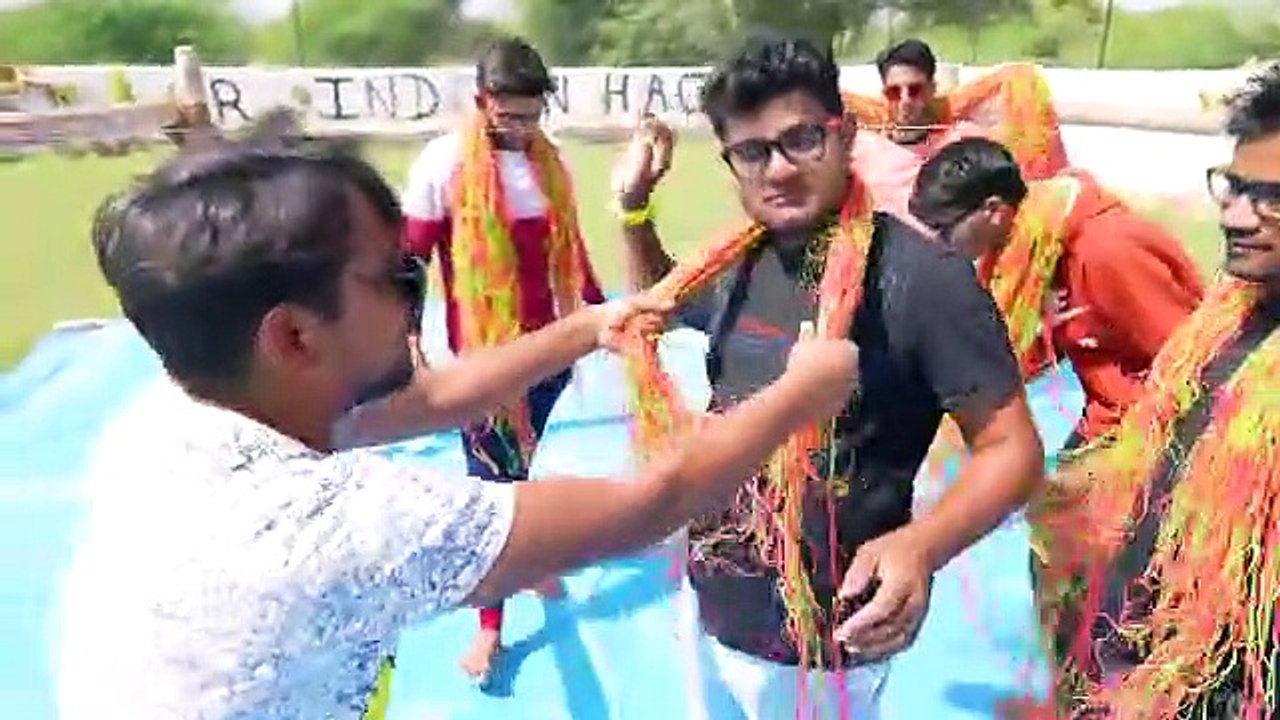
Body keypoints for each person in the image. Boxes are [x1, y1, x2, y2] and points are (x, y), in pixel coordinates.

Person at [54, 134, 861, 720]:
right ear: (295, 336)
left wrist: (590, 327)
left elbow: (431, 402)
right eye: (400, 277)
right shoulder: (334, 525)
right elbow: (652, 502)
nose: (419, 297)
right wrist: (800, 394)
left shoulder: (174, 411)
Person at [613, 35, 1045, 718]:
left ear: (843, 135)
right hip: (716, 605)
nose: (778, 170)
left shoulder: (922, 280)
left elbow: (1013, 448)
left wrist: (921, 544)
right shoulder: (737, 258)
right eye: (753, 152)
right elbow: (660, 301)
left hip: (824, 640)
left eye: (801, 140)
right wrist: (634, 209)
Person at [1028, 62, 1280, 719]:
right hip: (1132, 657)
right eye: (1233, 187)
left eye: (1272, 196)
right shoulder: (1231, 317)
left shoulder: (1110, 253)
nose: (1233, 214)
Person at [399, 36, 606, 682]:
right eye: (508, 114)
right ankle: (490, 628)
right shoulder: (443, 164)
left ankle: (531, 559)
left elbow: (571, 254)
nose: (521, 127)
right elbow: (408, 262)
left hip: (553, 350)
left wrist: (602, 314)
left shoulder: (553, 163)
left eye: (532, 114)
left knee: (520, 471)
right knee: (489, 493)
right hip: (487, 362)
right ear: (481, 100)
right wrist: (408, 338)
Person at [910, 137, 1205, 448]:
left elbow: (1192, 362)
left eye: (943, 230)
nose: (936, 246)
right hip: (1104, 422)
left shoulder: (1104, 249)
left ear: (993, 211)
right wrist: (1044, 330)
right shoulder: (1030, 255)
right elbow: (1012, 359)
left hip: (1148, 434)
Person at [845, 39, 1068, 221]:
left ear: (932, 89)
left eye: (915, 90)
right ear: (883, 94)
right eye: (894, 92)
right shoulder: (864, 148)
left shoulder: (963, 139)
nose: (905, 101)